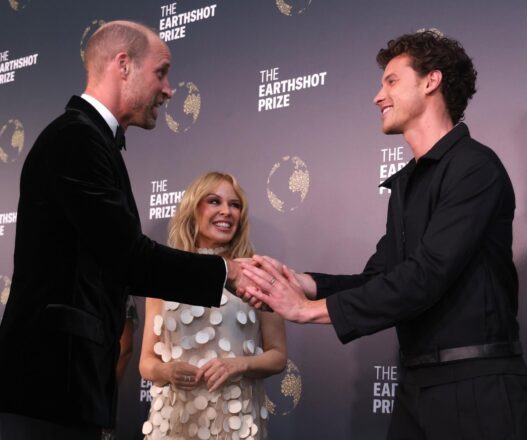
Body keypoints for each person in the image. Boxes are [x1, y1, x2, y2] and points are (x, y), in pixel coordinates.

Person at [241, 30, 527, 439]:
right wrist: (302, 283)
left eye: (391, 81)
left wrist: (308, 311)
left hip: (476, 387)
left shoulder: (475, 167)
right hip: (415, 387)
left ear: (431, 81)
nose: (378, 96)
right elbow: (381, 277)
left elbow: (425, 276)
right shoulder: (406, 183)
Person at [0, 21, 251, 439]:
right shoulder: (77, 139)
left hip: (65, 388)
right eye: (161, 73)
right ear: (123, 65)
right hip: (49, 388)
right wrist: (229, 272)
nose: (169, 90)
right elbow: (128, 258)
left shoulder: (90, 140)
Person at [139, 172, 287, 440]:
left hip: (235, 424)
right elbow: (146, 361)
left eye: (235, 205)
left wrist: (238, 365)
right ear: (192, 208)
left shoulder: (258, 274)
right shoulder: (165, 273)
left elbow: (278, 356)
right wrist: (167, 371)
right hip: (172, 423)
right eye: (214, 201)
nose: (227, 211)